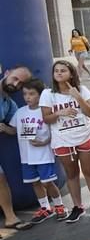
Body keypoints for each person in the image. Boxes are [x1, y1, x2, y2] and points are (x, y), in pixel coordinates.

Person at [40, 60, 90, 223]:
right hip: (62, 139)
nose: (59, 73)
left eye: (63, 70)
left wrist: (78, 97)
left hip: (85, 135)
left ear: (71, 73)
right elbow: (46, 118)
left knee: (89, 172)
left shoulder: (81, 89)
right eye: (56, 71)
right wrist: (60, 112)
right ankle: (78, 206)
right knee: (72, 174)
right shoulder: (48, 94)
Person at [7, 78, 66, 223]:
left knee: (48, 182)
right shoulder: (20, 112)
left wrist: (45, 141)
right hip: (27, 156)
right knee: (35, 183)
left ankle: (59, 205)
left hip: (43, 154)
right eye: (25, 94)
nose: (27, 97)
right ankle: (45, 207)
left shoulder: (45, 112)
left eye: (31, 94)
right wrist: (5, 129)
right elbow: (14, 130)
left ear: (40, 95)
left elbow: (54, 131)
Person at [0, 65, 34, 233]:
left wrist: (7, 129)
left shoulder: (9, 104)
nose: (16, 83)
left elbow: (15, 127)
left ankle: (10, 218)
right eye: (14, 78)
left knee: (1, 179)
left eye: (20, 83)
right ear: (6, 74)